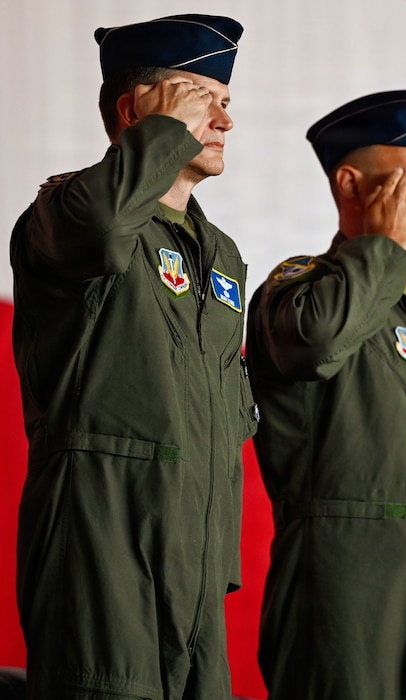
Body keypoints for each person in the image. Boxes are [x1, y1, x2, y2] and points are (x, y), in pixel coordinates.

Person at [9, 15, 258, 698]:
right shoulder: (67, 209)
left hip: (197, 557)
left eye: (226, 102)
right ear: (134, 109)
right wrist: (161, 138)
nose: (224, 121)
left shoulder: (222, 253)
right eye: (199, 98)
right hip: (102, 544)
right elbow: (102, 225)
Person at [246, 90, 406, 699]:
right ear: (351, 185)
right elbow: (315, 345)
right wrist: (382, 247)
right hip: (348, 617)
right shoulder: (299, 288)